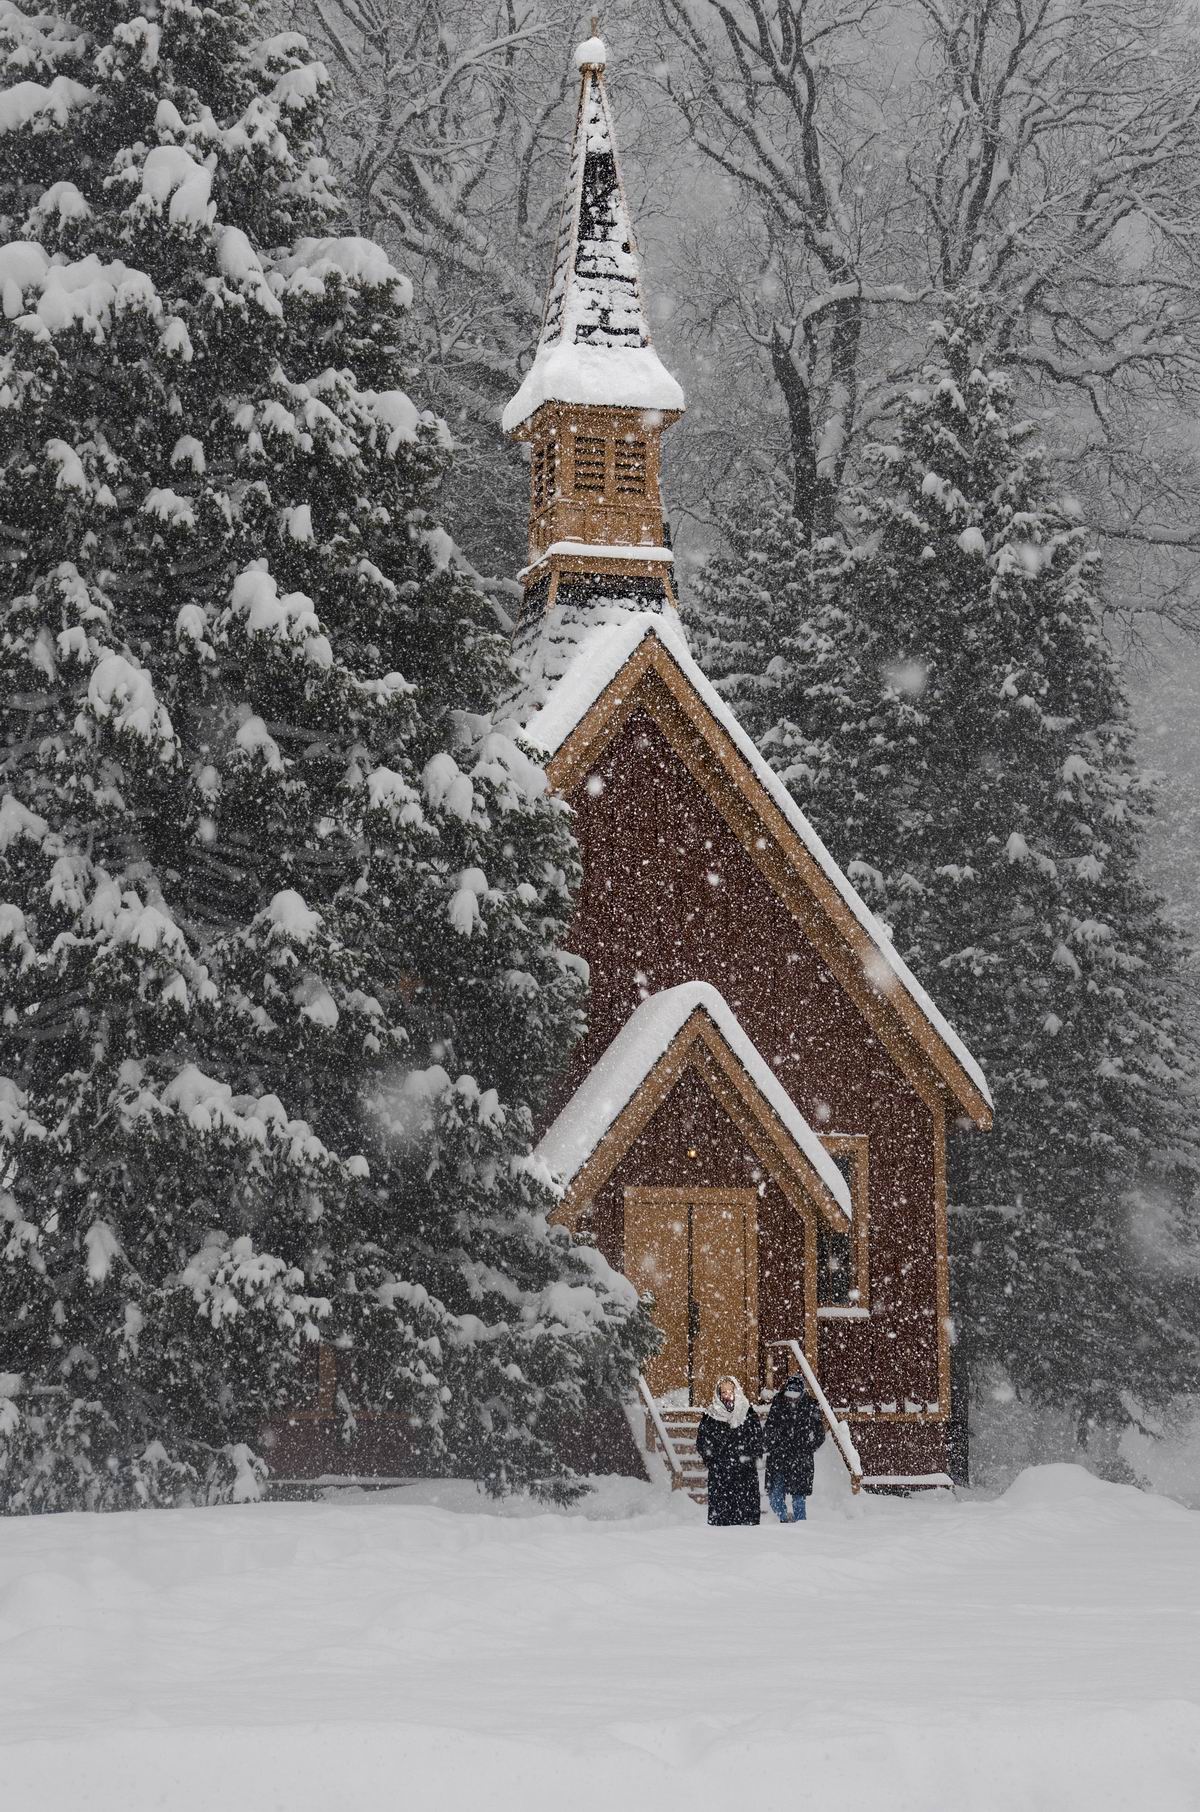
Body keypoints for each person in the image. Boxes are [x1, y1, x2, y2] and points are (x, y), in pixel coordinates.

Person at [695, 1375, 764, 1526]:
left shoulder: (748, 1412)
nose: (727, 1395)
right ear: (719, 1394)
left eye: (730, 1391)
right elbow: (702, 1442)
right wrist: (712, 1461)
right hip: (721, 1476)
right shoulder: (710, 1415)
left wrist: (750, 1458)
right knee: (722, 1523)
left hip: (744, 1474)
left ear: (736, 1391)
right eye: (723, 1392)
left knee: (746, 1523)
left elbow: (757, 1439)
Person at [763, 1370, 826, 1522]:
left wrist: (809, 1447)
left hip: (800, 1460)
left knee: (799, 1500)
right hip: (779, 1458)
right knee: (775, 1496)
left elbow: (819, 1433)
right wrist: (772, 1444)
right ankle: (784, 1519)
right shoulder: (778, 1404)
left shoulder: (810, 1406)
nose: (792, 1399)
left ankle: (800, 1527)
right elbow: (769, 1428)